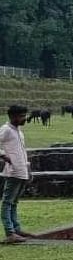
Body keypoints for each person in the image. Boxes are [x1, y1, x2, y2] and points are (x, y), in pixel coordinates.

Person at [0, 104, 32, 244]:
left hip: (22, 170)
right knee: (7, 202)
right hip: (13, 172)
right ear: (13, 117)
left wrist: (28, 168)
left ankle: (16, 229)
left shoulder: (18, 131)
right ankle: (10, 232)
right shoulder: (6, 130)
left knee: (14, 202)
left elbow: (22, 152)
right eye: (21, 116)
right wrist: (4, 156)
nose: (24, 118)